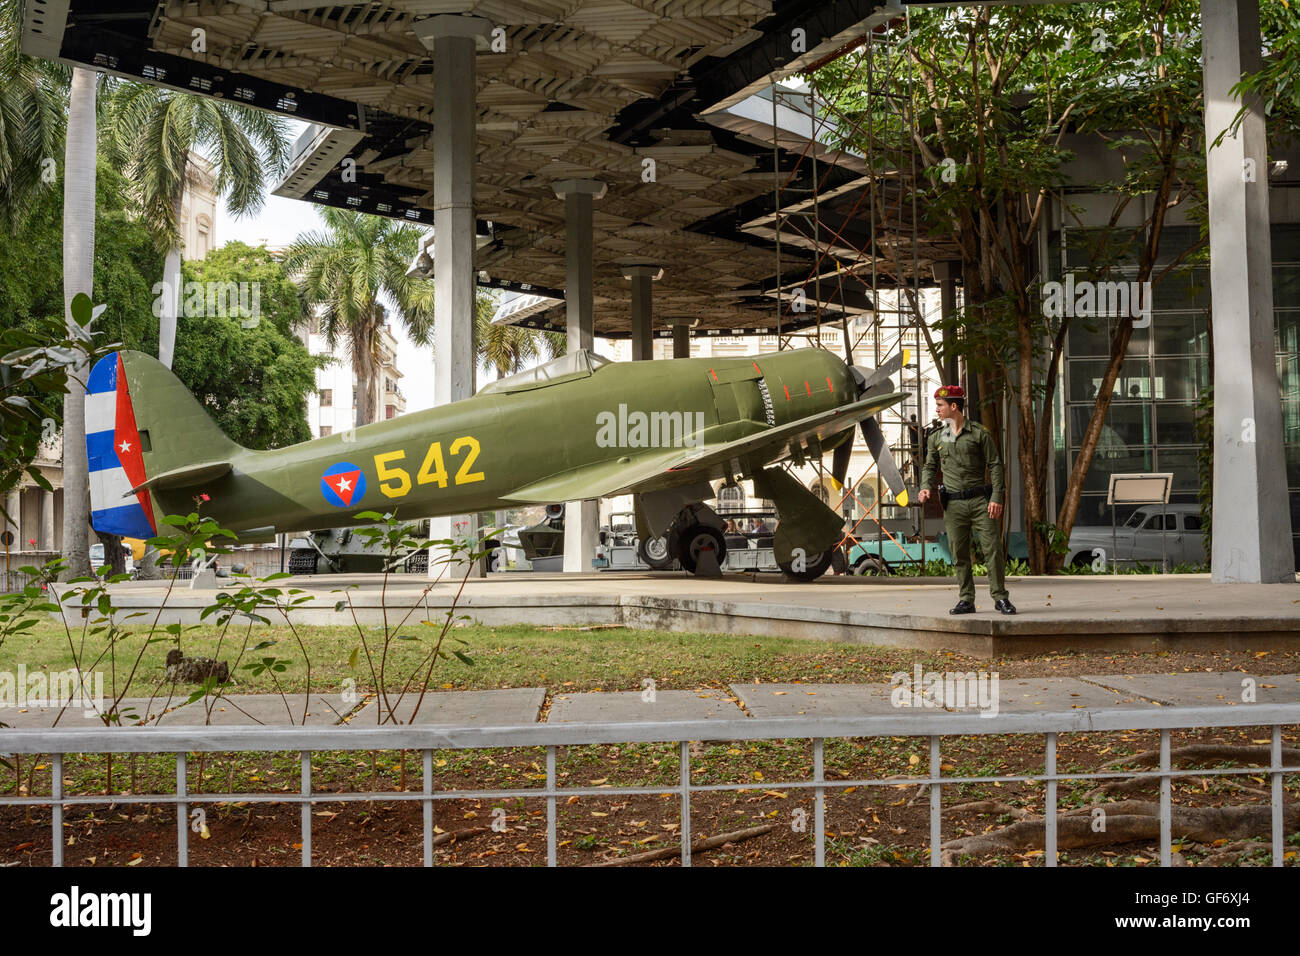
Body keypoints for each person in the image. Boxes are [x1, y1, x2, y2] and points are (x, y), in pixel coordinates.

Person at [917, 385, 1016, 615]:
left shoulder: (980, 433)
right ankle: (966, 599)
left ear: (954, 406)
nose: (937, 410)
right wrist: (924, 488)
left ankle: (1000, 598)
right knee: (959, 553)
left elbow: (995, 465)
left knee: (992, 550)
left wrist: (997, 497)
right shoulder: (936, 438)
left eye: (940, 406)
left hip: (981, 501)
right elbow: (930, 466)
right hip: (953, 505)